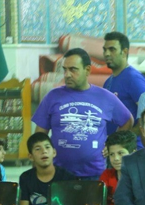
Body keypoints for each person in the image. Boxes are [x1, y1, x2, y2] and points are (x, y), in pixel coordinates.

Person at [33, 48, 134, 180]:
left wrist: (111, 144)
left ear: (87, 70)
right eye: (65, 70)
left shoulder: (105, 97)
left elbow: (127, 121)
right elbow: (39, 136)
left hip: (96, 174)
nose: (67, 75)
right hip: (59, 174)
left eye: (73, 69)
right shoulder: (52, 97)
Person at [19, 132, 76, 205]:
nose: (44, 151)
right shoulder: (26, 177)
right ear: (30, 156)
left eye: (47, 147)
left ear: (54, 152)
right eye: (38, 149)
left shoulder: (66, 177)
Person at [103, 31, 145, 138]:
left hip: (132, 146)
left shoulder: (134, 78)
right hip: (112, 144)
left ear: (124, 52)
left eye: (112, 49)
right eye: (105, 50)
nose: (107, 54)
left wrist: (128, 138)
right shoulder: (108, 82)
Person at [99, 130, 137, 205]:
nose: (116, 158)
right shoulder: (106, 175)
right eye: (112, 154)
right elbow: (98, 204)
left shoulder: (141, 177)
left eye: (121, 153)